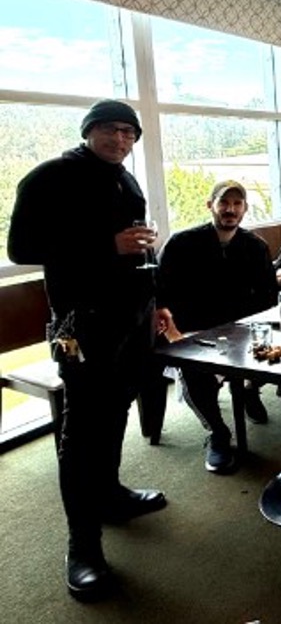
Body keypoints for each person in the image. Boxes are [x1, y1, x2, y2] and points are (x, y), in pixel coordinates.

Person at [7, 99, 166, 600]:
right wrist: (107, 245)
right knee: (80, 436)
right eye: (110, 130)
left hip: (129, 321)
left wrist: (155, 300)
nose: (120, 140)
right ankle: (83, 546)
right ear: (88, 131)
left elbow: (134, 248)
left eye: (129, 133)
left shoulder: (126, 178)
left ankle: (112, 494)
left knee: (116, 411)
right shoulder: (50, 177)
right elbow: (20, 249)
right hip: (81, 326)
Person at [155, 180, 278, 474]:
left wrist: (256, 330)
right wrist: (175, 335)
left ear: (245, 209)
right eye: (224, 203)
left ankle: (248, 390)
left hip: (241, 331)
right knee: (194, 370)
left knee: (280, 349)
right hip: (192, 332)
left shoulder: (255, 246)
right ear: (210, 205)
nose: (230, 210)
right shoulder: (181, 244)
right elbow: (159, 295)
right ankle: (218, 433)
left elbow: (268, 298)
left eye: (237, 204)